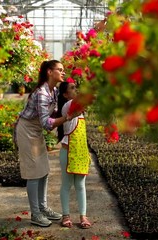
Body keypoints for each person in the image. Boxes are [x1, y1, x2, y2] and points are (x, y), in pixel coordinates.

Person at [14, 60, 76, 227]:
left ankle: (43, 207)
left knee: (44, 170)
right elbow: (46, 123)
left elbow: (54, 114)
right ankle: (35, 213)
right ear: (50, 72)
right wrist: (66, 118)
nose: (63, 73)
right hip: (27, 131)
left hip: (36, 131)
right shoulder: (42, 93)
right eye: (60, 70)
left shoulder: (54, 91)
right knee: (34, 173)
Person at [56, 81, 92, 229]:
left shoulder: (80, 112)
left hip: (81, 153)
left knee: (80, 185)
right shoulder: (67, 107)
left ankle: (83, 216)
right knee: (66, 185)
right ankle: (66, 215)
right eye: (72, 88)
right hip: (67, 153)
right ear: (65, 95)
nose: (76, 90)